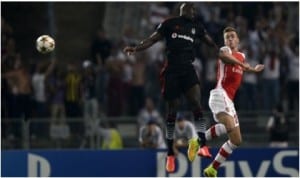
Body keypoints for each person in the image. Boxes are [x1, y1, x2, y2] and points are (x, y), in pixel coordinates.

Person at [124, 2, 219, 172]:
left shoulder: (196, 27)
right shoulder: (169, 23)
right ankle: (169, 154)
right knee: (172, 111)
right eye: (190, 9)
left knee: (196, 104)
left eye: (194, 9)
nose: (193, 11)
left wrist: (222, 51)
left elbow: (210, 42)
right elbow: (152, 39)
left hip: (188, 68)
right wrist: (136, 48)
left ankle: (203, 145)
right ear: (182, 10)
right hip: (172, 70)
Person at [202, 27, 265, 177]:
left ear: (238, 40)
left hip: (229, 100)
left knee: (236, 140)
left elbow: (241, 66)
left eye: (232, 37)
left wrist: (253, 70)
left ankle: (212, 169)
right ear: (225, 41)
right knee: (228, 125)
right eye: (227, 37)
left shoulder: (241, 56)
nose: (230, 39)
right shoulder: (225, 51)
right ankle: (197, 140)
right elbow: (225, 58)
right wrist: (244, 66)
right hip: (219, 94)